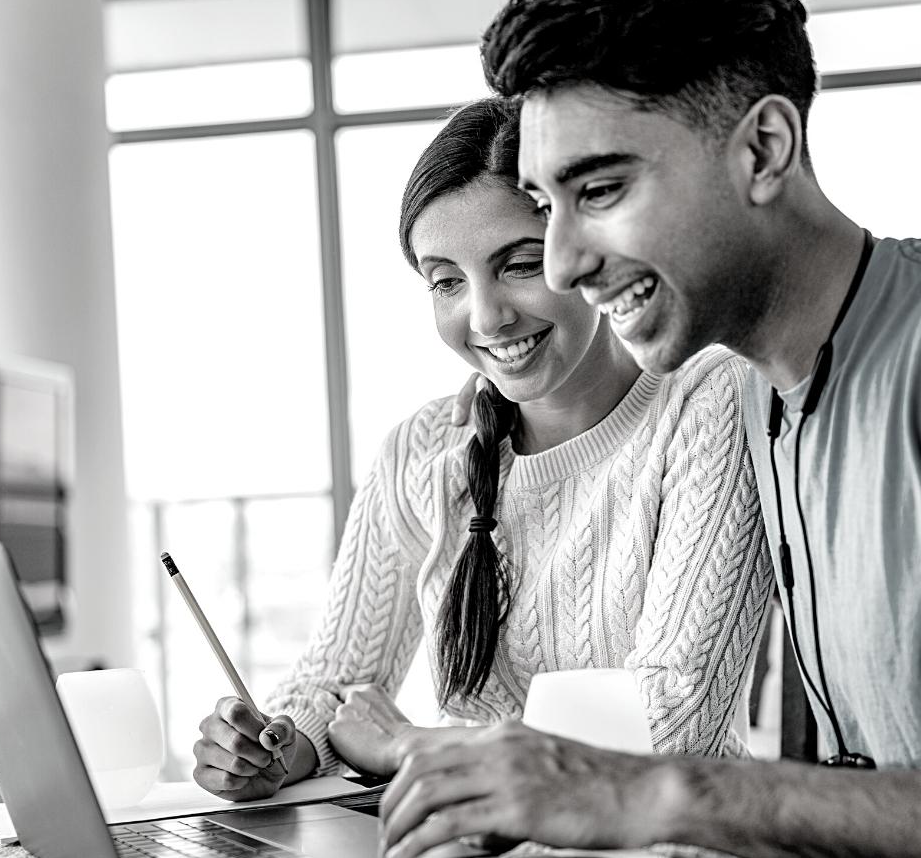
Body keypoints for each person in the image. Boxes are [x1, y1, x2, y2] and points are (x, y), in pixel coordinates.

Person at [377, 0, 921, 858]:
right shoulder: (769, 398)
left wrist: (642, 787)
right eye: (546, 203)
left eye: (602, 190)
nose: (568, 261)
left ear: (764, 148)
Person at [190, 97, 773, 806]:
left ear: (584, 247)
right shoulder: (425, 448)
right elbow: (339, 680)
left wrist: (415, 747)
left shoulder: (706, 402)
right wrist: (278, 746)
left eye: (520, 265)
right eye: (447, 282)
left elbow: (670, 721)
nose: (486, 315)